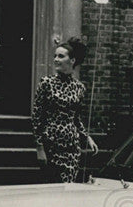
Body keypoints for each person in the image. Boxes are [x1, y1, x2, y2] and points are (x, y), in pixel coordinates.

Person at [32, 37, 98, 183]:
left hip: (72, 146)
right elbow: (37, 117)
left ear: (72, 60)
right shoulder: (46, 83)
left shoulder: (79, 88)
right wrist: (39, 148)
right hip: (51, 145)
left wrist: (86, 137)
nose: (56, 59)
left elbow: (76, 118)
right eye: (55, 56)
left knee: (68, 187)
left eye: (61, 56)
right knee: (52, 189)